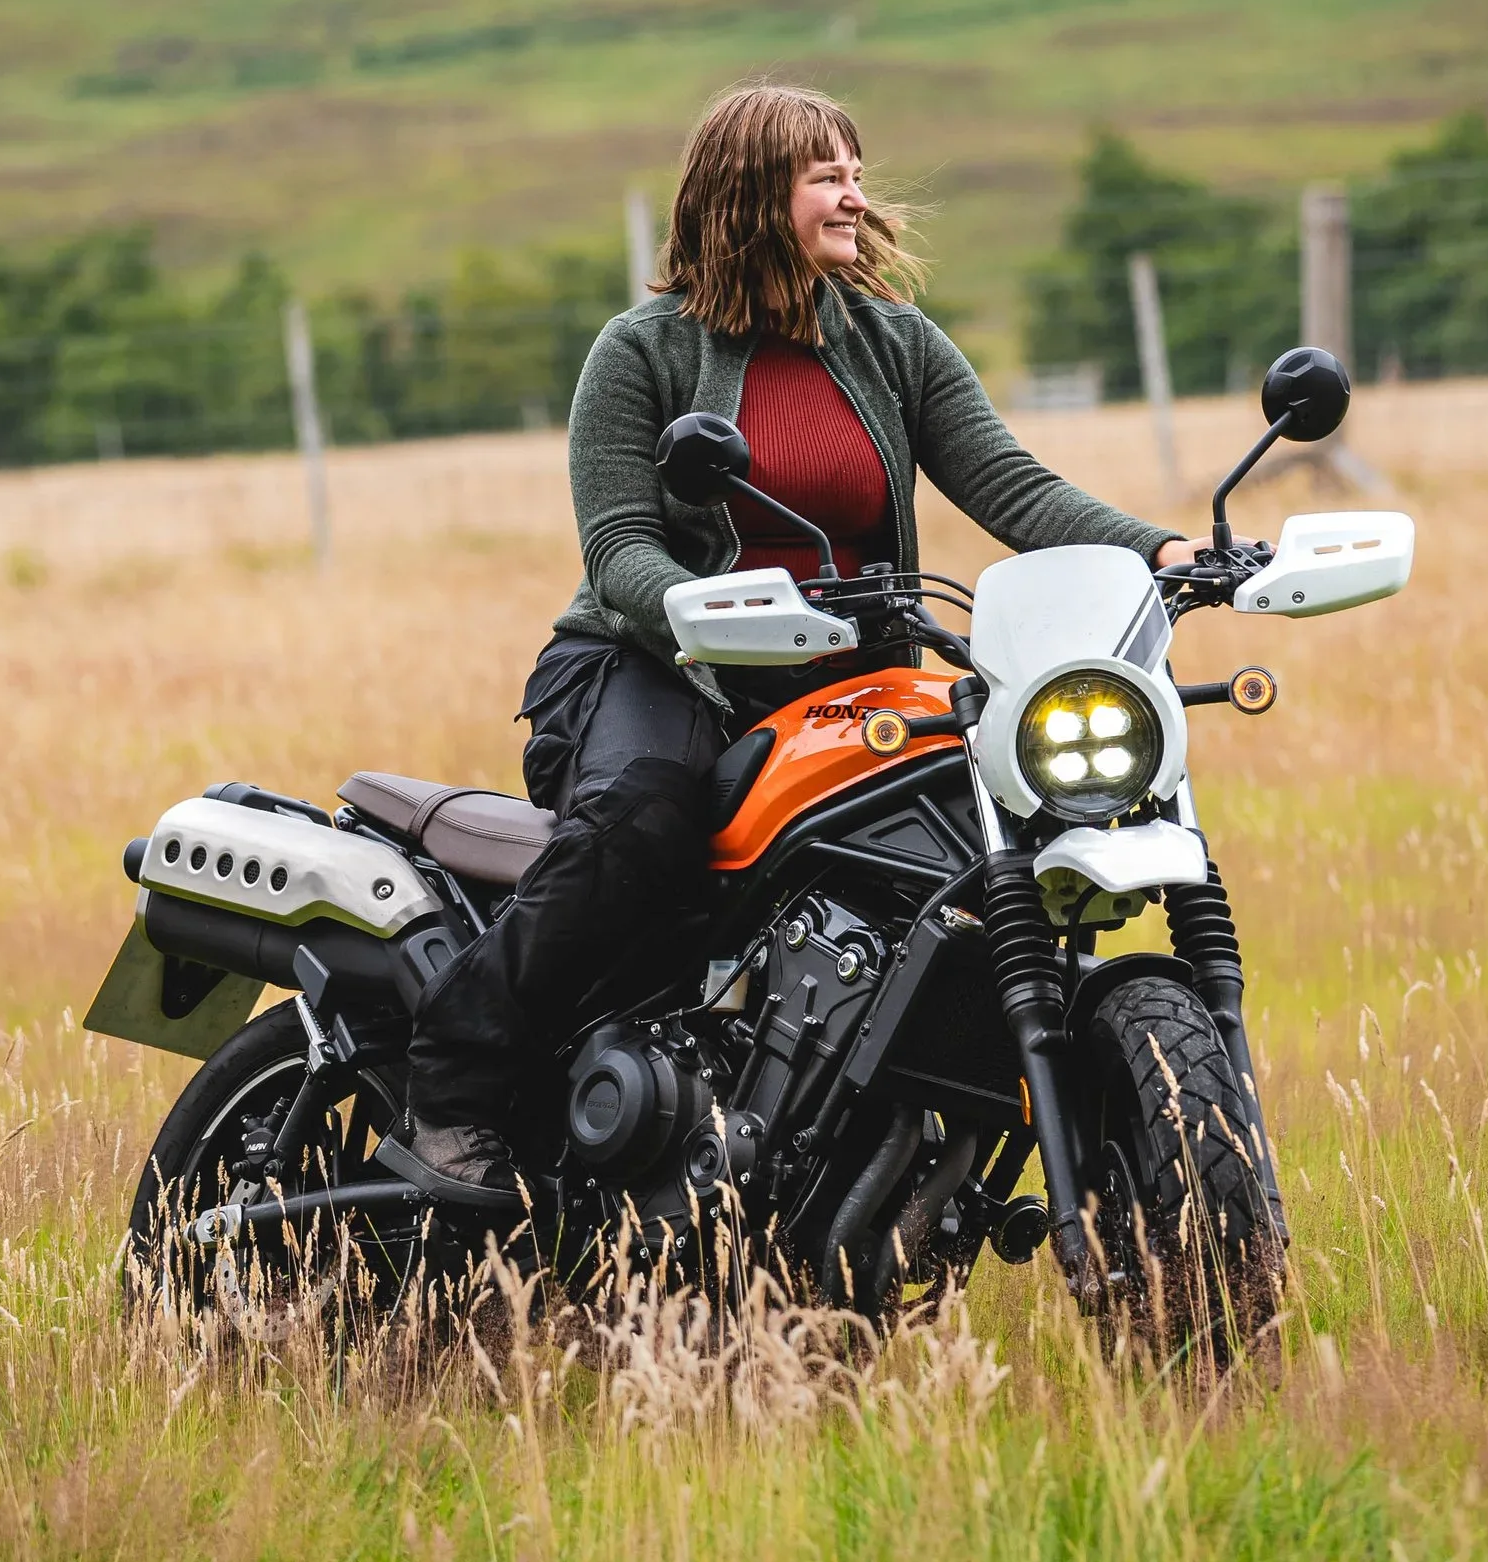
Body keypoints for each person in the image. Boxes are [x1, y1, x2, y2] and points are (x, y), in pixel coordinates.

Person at [377, 82, 1198, 1202]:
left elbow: (1012, 486)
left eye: (857, 170)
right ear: (752, 194)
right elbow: (619, 549)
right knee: (644, 817)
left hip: (851, 681)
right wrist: (701, 610)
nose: (855, 193)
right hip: (657, 669)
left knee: (981, 842)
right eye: (827, 174)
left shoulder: (893, 343)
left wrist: (1159, 553)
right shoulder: (642, 353)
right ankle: (456, 1084)